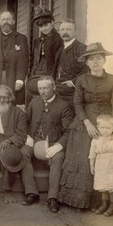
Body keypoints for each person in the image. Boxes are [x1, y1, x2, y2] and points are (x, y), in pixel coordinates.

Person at [59, 42, 113, 212]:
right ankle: (77, 201)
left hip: (105, 127)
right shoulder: (81, 80)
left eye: (98, 59)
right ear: (86, 63)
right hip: (83, 123)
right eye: (91, 59)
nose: (95, 62)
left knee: (104, 162)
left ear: (104, 61)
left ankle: (101, 202)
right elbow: (77, 103)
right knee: (82, 160)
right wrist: (86, 123)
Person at [20, 75, 74, 213]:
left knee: (58, 158)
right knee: (24, 152)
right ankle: (31, 192)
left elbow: (69, 131)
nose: (42, 91)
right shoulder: (34, 102)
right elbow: (24, 121)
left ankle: (53, 198)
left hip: (54, 143)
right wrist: (27, 136)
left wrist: (58, 146)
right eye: (40, 88)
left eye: (46, 88)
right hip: (35, 140)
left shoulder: (64, 106)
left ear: (54, 87)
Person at [0, 11, 29, 105]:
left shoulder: (21, 38)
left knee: (11, 102)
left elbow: (23, 60)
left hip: (13, 76)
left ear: (13, 21)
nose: (6, 21)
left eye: (8, 19)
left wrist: (20, 79)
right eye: (3, 19)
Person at [26, 6, 63, 104]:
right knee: (35, 100)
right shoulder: (37, 41)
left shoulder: (58, 39)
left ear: (52, 22)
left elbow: (58, 61)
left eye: (46, 25)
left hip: (49, 72)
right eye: (41, 26)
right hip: (36, 72)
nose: (44, 28)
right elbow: (33, 59)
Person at [53, 18, 88, 108]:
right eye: (62, 29)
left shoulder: (81, 48)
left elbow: (87, 69)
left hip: (72, 92)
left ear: (75, 31)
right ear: (59, 32)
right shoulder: (60, 49)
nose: (65, 32)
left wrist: (73, 82)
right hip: (58, 90)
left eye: (69, 29)